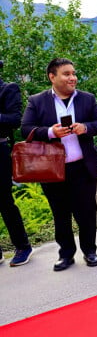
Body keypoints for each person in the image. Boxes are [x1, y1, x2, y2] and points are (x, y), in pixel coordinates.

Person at [21, 58, 97, 271]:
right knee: (60, 214)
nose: (73, 78)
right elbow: (25, 129)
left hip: (82, 167)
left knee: (86, 212)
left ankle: (90, 251)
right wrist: (51, 132)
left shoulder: (87, 99)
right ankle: (66, 254)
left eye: (74, 73)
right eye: (67, 74)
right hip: (52, 169)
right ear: (52, 77)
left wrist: (85, 128)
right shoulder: (37, 100)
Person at [0, 64, 33, 267]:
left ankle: (23, 246)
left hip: (0, 149)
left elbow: (15, 120)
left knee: (4, 201)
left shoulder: (8, 88)